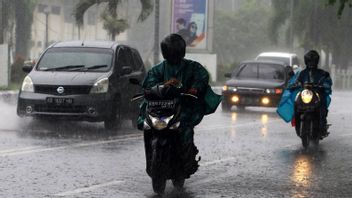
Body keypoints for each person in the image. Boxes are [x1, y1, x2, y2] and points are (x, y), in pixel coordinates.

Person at [138, 33, 222, 177]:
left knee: (185, 128)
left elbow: (202, 77)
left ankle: (186, 160)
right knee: (146, 123)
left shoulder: (192, 67)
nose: (173, 54)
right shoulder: (158, 69)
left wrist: (195, 88)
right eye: (170, 51)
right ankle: (152, 159)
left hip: (183, 107)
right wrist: (162, 86)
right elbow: (149, 84)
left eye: (175, 51)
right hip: (159, 108)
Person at [289, 50, 332, 136]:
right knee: (296, 103)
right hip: (305, 94)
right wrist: (293, 85)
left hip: (317, 94)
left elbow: (327, 82)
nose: (311, 63)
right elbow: (297, 81)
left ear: (317, 61)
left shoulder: (322, 73)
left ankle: (322, 124)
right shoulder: (302, 73)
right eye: (309, 61)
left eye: (313, 61)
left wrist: (324, 86)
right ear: (306, 61)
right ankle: (296, 120)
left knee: (322, 105)